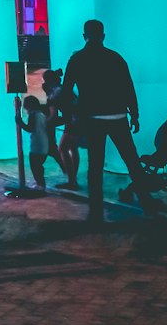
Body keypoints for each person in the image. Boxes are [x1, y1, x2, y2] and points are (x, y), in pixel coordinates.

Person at [61, 19, 158, 225]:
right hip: (118, 117)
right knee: (132, 163)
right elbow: (128, 87)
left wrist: (70, 115)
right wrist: (135, 114)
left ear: (84, 36)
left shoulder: (77, 60)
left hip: (93, 119)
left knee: (95, 167)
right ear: (103, 36)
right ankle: (148, 206)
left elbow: (66, 91)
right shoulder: (115, 58)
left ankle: (95, 213)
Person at [18, 95, 51, 191]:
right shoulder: (41, 114)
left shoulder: (33, 115)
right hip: (44, 144)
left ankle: (40, 185)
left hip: (37, 145)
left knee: (35, 165)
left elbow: (30, 128)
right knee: (39, 165)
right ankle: (41, 184)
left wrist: (20, 122)